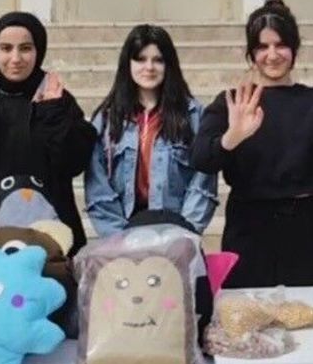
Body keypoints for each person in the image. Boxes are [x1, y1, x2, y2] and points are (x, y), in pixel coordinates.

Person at [191, 0, 313, 288]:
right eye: (262, 47)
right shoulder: (234, 101)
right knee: (246, 310)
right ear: (251, 53)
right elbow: (201, 158)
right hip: (249, 226)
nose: (272, 55)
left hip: (304, 227)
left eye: (280, 45)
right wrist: (233, 137)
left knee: (307, 308)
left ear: (294, 49)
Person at [0, 11, 97, 255]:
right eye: (6, 48)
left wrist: (52, 113)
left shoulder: (55, 99)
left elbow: (73, 163)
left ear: (39, 51)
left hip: (50, 235)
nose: (15, 58)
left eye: (25, 48)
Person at [85, 24, 218, 237]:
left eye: (158, 60)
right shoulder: (107, 119)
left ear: (169, 64)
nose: (149, 67)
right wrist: (119, 238)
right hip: (122, 235)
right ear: (128, 63)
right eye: (140, 59)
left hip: (177, 233)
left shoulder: (193, 115)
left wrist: (184, 233)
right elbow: (97, 185)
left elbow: (203, 181)